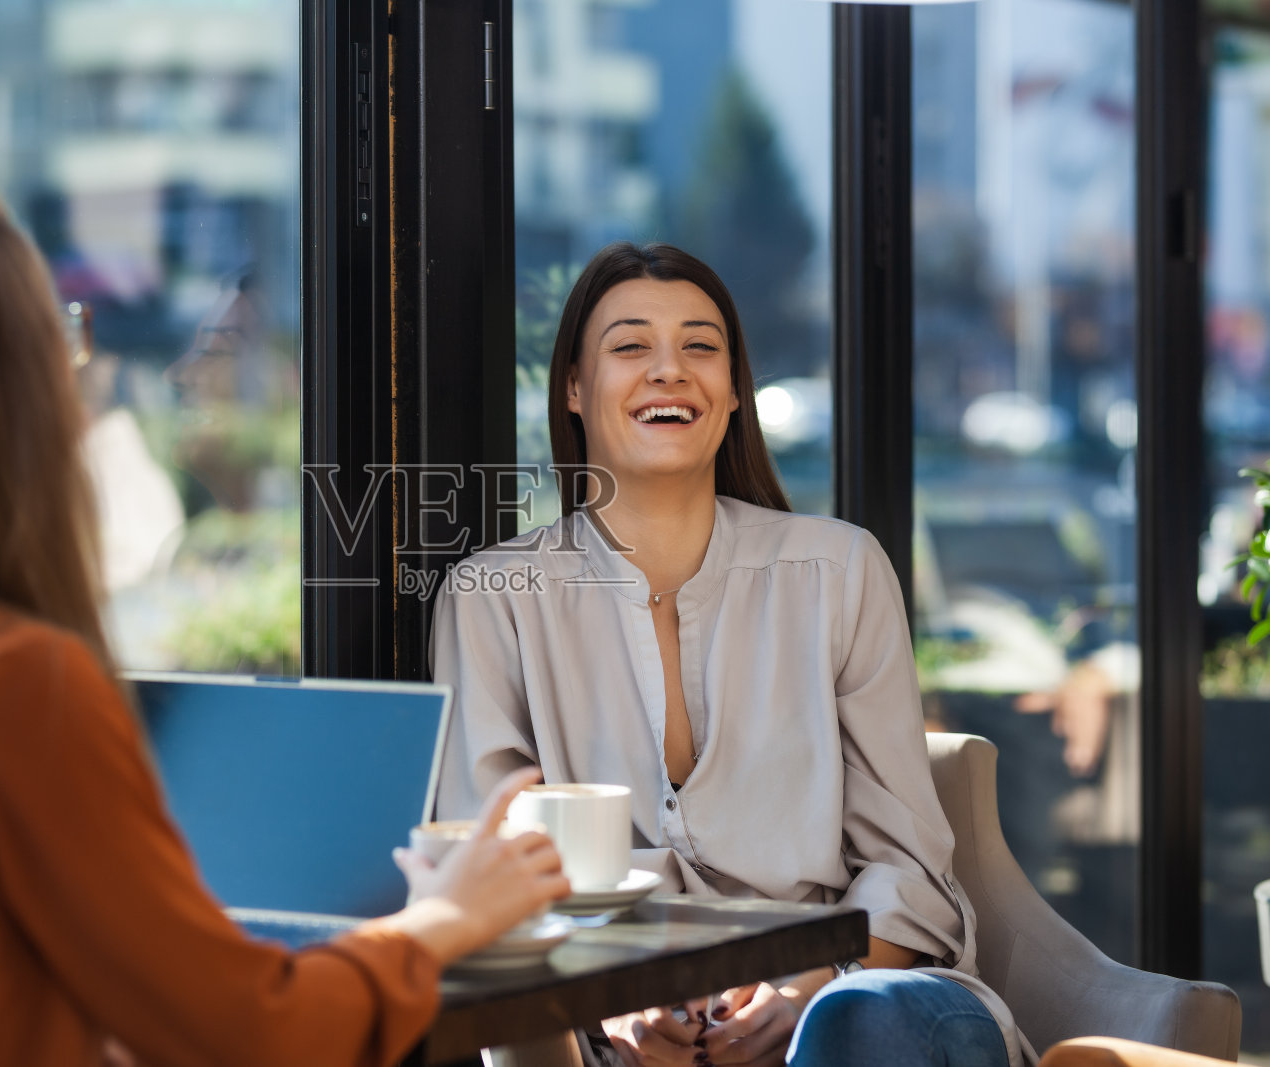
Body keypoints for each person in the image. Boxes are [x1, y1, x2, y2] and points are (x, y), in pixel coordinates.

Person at [0, 183, 570, 1066]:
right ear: (12, 386)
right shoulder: (15, 681)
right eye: (61, 337)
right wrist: (445, 919)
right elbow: (253, 1029)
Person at [431, 242, 1031, 1067]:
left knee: (868, 1020)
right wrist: (615, 1003)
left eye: (701, 347)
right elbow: (486, 877)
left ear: (735, 388)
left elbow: (910, 870)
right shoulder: (493, 599)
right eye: (631, 345)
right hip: (614, 1028)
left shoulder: (840, 570)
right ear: (573, 387)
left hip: (851, 1004)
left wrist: (808, 987)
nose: (669, 370)